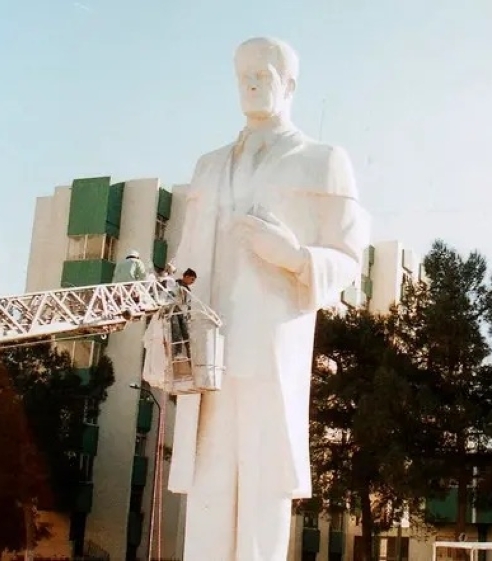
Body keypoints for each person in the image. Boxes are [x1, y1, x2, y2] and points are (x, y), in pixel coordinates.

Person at [166, 37, 370, 561]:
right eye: (243, 75)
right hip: (209, 352)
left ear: (291, 83)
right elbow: (184, 263)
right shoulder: (210, 166)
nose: (252, 83)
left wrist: (295, 257)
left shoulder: (323, 160)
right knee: (208, 486)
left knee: (264, 487)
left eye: (264, 73)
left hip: (271, 344)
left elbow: (349, 255)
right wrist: (165, 324)